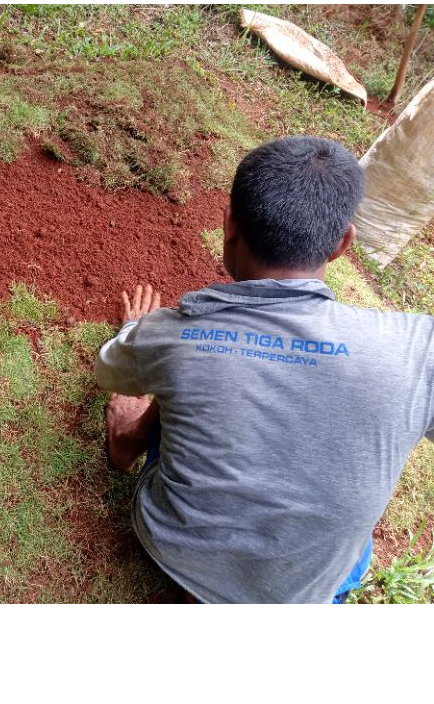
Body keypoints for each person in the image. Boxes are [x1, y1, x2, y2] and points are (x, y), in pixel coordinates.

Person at [96, 135, 434, 604]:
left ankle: (127, 438)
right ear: (342, 244)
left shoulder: (171, 334)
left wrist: (136, 332)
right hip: (310, 590)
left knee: (193, 380)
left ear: (228, 223)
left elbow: (109, 368)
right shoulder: (417, 347)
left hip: (179, 553)